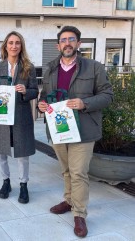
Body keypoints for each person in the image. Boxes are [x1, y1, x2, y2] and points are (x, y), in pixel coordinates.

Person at [37, 26, 113, 238]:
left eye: (71, 39)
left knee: (78, 172)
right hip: (59, 128)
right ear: (58, 45)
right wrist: (41, 105)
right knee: (66, 170)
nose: (67, 43)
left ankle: (79, 214)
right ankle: (69, 200)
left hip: (84, 129)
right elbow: (44, 96)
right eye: (63, 40)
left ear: (79, 43)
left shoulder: (94, 67)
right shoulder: (51, 69)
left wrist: (84, 103)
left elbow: (108, 95)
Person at [0, 31, 38, 204]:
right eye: (11, 43)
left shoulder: (29, 67)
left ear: (21, 46)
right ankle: (6, 182)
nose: (14, 46)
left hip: (21, 116)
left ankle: (23, 185)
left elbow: (35, 91)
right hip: (2, 117)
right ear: (5, 46)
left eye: (17, 43)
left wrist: (25, 92)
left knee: (22, 155)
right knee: (0, 153)